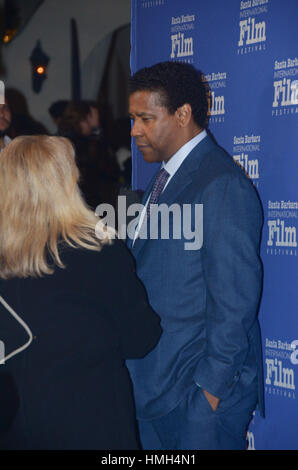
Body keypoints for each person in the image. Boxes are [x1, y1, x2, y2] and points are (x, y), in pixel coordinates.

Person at [126, 61, 264, 450]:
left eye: (145, 119)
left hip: (194, 397)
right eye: (133, 119)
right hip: (155, 388)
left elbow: (235, 301)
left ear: (183, 114)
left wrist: (209, 393)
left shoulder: (220, 184)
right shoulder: (161, 179)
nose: (135, 130)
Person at [0, 135, 161, 450]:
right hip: (95, 426)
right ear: (67, 184)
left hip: (20, 429)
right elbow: (142, 339)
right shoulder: (100, 251)